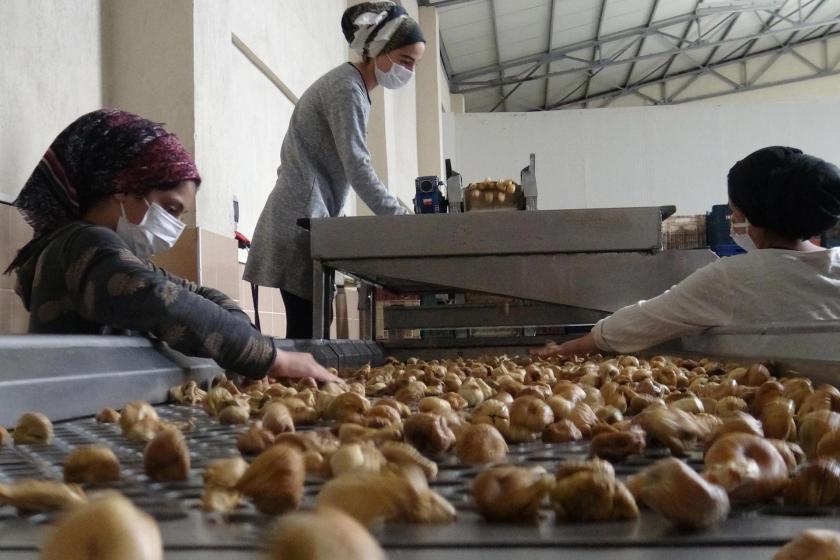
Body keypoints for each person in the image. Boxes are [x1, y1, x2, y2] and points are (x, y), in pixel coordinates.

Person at [5, 108, 340, 383]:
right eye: (170, 208)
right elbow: (166, 304)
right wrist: (271, 358)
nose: (175, 227)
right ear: (122, 188)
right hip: (73, 416)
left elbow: (198, 295)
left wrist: (247, 342)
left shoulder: (116, 255)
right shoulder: (82, 244)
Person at [534, 146, 840, 359]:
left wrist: (564, 351)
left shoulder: (734, 278)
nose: (732, 221)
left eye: (734, 213)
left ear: (753, 216)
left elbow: (638, 324)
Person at [244, 1, 425, 338]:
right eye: (404, 62)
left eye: (414, 66)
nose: (408, 73)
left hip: (310, 215)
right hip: (300, 218)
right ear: (379, 49)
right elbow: (358, 167)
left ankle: (300, 388)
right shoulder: (346, 89)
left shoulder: (353, 88)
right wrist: (403, 220)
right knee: (309, 332)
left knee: (312, 329)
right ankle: (298, 389)